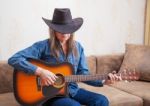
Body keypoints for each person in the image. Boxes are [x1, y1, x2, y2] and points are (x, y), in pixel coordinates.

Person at [8, 8, 121, 106]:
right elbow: (14, 59)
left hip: (73, 90)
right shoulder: (42, 46)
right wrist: (41, 72)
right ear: (53, 29)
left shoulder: (78, 47)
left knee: (102, 101)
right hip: (52, 95)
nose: (65, 33)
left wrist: (103, 81)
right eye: (61, 29)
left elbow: (83, 74)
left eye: (68, 29)